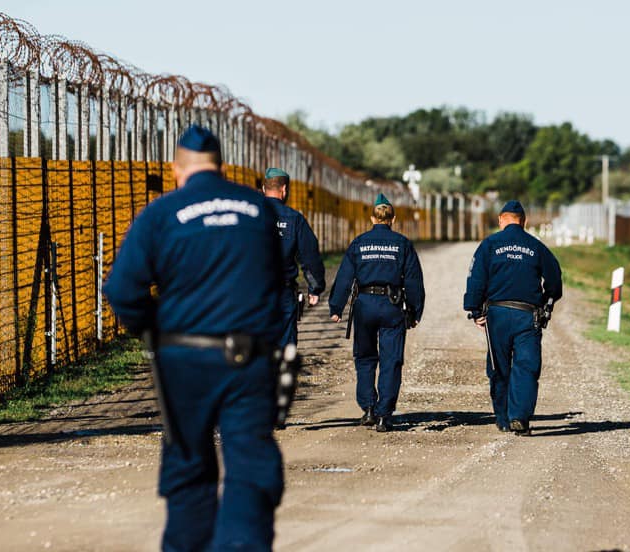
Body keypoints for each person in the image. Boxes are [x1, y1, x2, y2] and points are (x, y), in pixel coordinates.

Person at [103, 125, 284, 551]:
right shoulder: (258, 209)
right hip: (248, 357)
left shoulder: (161, 213)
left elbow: (122, 290)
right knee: (250, 466)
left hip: (183, 360)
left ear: (176, 169)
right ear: (221, 166)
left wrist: (155, 331)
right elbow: (274, 278)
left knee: (188, 466)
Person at [463, 200, 563, 436]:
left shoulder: (489, 245)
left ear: (501, 220)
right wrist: (547, 302)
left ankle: (502, 418)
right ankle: (519, 416)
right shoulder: (536, 246)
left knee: (498, 367)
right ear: (524, 221)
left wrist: (475, 310)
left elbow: (476, 279)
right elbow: (555, 279)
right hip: (527, 315)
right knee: (526, 366)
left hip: (496, 315)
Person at [328, 193, 425, 432]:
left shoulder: (359, 242)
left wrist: (336, 307)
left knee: (365, 357)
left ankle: (369, 408)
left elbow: (344, 277)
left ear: (372, 218)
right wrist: (415, 311)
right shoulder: (402, 244)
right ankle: (384, 414)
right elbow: (413, 281)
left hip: (364, 305)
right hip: (392, 306)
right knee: (391, 360)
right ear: (393, 219)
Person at [262, 167, 325, 346]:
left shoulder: (248, 214)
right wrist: (315, 288)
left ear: (263, 188)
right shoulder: (294, 219)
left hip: (252, 292)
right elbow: (309, 256)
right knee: (285, 347)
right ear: (284, 190)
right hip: (283, 291)